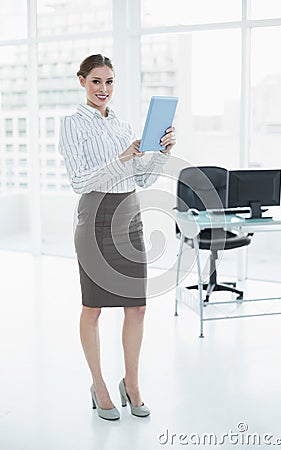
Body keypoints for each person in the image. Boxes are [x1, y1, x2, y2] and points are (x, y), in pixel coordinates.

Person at [58, 54, 176, 421]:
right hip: (94, 217)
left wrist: (159, 154)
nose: (103, 89)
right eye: (96, 81)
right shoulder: (72, 124)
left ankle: (132, 383)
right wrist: (123, 158)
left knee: (137, 306)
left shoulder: (123, 126)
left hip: (129, 215)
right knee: (92, 308)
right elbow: (79, 181)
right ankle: (100, 385)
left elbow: (141, 180)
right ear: (82, 82)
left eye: (109, 82)